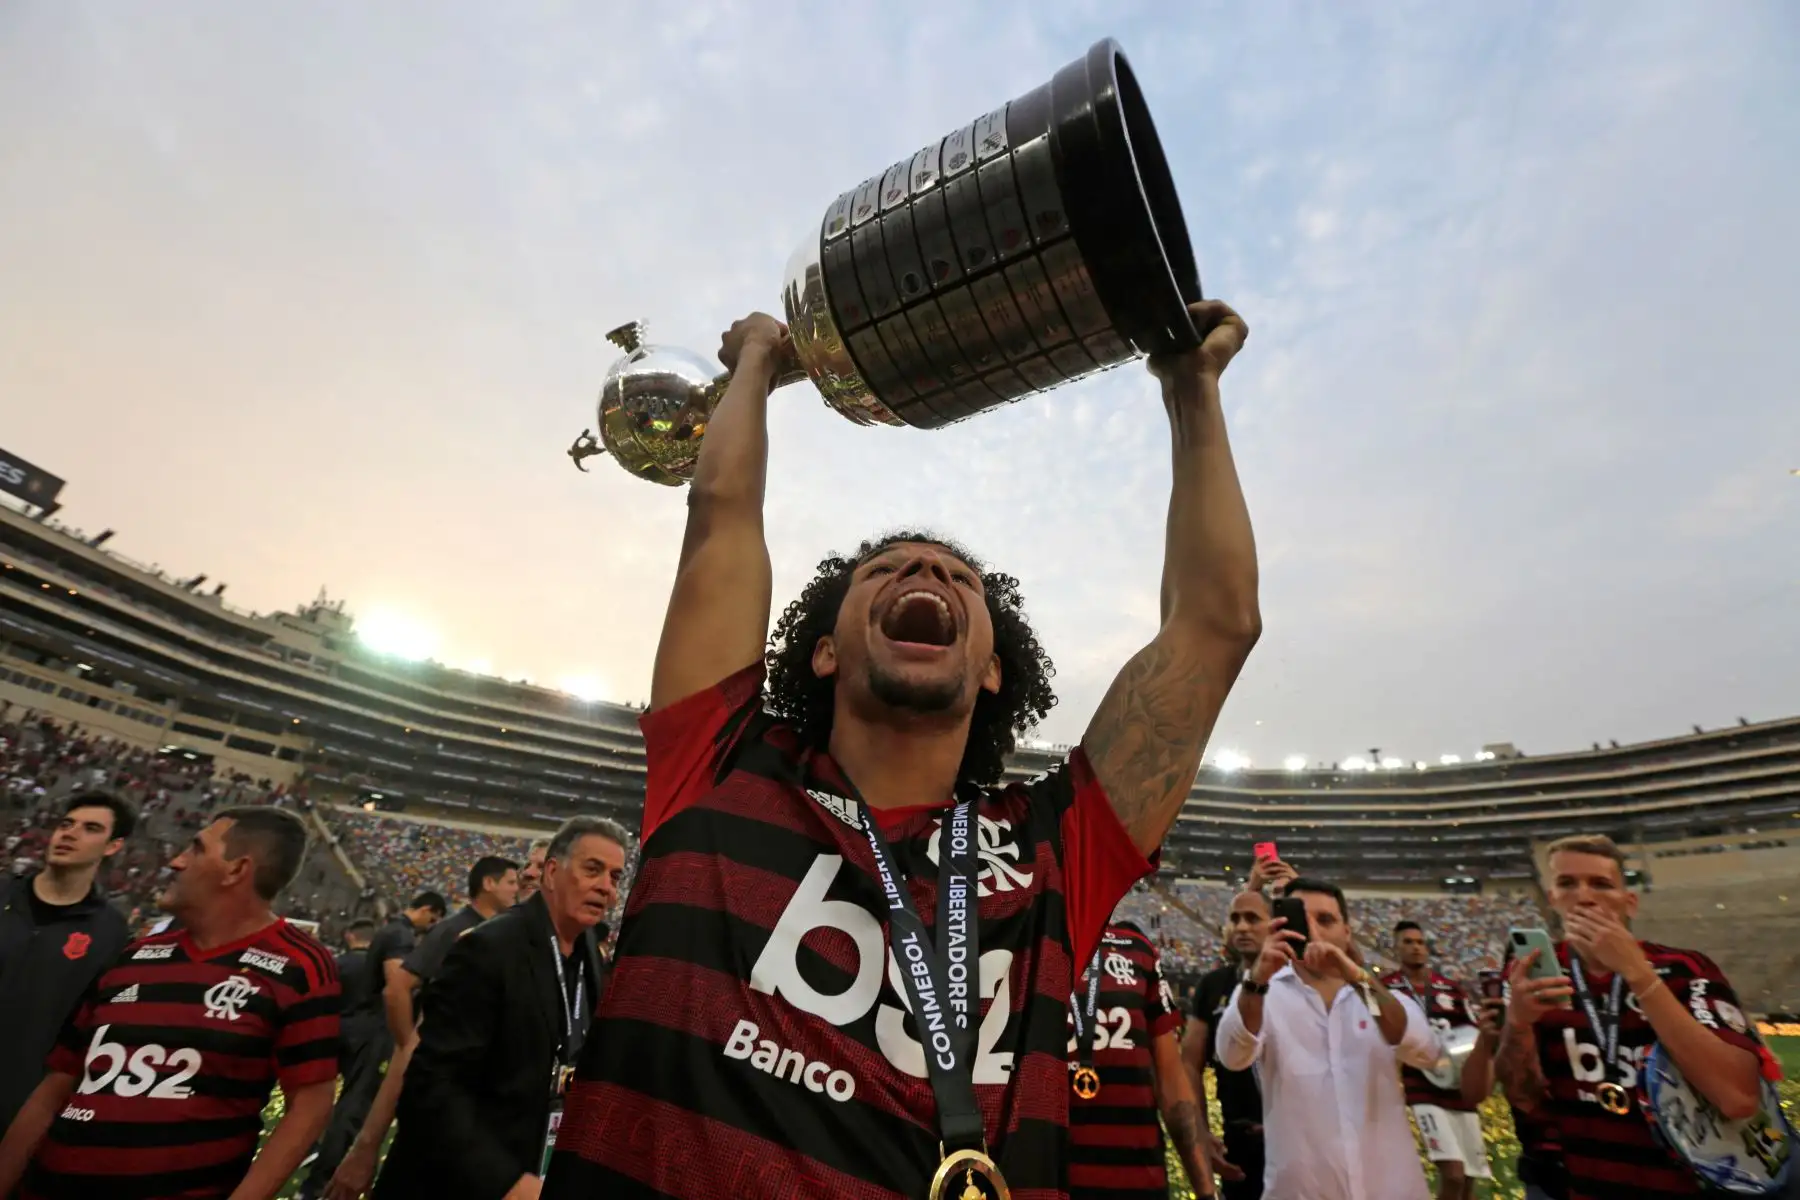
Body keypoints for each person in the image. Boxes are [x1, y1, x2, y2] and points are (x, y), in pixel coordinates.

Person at [543, 298, 1259, 1199]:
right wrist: (759, 364)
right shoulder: (720, 763)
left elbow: (1214, 627)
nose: (926, 572)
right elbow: (722, 516)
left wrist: (1192, 392)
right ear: (825, 649)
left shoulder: (1052, 851)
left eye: (959, 578)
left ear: (993, 669)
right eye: (885, 571)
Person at [0, 806, 341, 1200]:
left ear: (236, 870)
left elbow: (311, 1104)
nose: (176, 861)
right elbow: (55, 1087)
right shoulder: (133, 956)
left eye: (195, 849)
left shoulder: (299, 965)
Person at [1494, 835, 1768, 1200]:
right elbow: (1523, 1098)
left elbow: (1738, 1097)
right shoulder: (1533, 977)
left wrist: (1639, 975)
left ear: (1630, 903)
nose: (1585, 896)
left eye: (1601, 884)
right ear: (1553, 899)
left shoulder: (1686, 969)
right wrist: (1518, 1025)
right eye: (1567, 884)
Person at [373, 816, 628, 1200]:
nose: (606, 887)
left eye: (615, 877)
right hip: (450, 1183)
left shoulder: (589, 950)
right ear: (553, 872)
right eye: (593, 870)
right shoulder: (489, 947)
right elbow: (431, 1089)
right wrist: (505, 1182)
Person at [1215, 878, 1440, 1200]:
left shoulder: (1374, 996)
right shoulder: (1263, 993)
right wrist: (1258, 978)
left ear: (1347, 933)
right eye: (1301, 920)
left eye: (1325, 920)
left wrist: (1357, 976)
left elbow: (1423, 1050)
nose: (1314, 932)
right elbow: (1232, 1054)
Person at [0, 792, 134, 1133]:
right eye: (66, 824)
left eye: (90, 828)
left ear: (113, 846)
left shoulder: (110, 933)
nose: (70, 834)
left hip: (15, 1106)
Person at [299, 894, 445, 1200]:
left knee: (346, 1104)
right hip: (374, 1030)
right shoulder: (400, 934)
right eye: (432, 920)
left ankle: (317, 1172)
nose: (429, 928)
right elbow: (397, 984)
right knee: (356, 1108)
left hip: (356, 1024)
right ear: (426, 910)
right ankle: (322, 1183)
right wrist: (405, 1036)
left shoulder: (391, 930)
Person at [1067, 918, 1213, 1198]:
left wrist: (1206, 1190)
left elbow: (1173, 1084)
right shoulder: (1021, 941)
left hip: (1138, 1183)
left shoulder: (1135, 947)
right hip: (1043, 1184)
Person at [1382, 920, 1489, 1200]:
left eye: (1420, 942)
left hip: (1456, 1084)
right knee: (1452, 1174)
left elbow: (1473, 1033)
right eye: (1408, 942)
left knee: (1468, 1179)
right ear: (1395, 948)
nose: (1416, 948)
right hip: (1420, 1085)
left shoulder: (1451, 989)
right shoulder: (1386, 989)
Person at [1183, 887, 1275, 1200]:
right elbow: (1189, 1064)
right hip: (1240, 1140)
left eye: (1253, 918)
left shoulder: (1299, 983)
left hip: (1297, 1140)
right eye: (1235, 918)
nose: (1242, 927)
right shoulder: (1213, 985)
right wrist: (1200, 1131)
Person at [386, 856, 517, 1032]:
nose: (516, 889)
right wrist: (406, 1044)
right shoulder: (453, 929)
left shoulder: (499, 929)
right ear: (489, 883)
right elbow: (398, 986)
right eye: (511, 883)